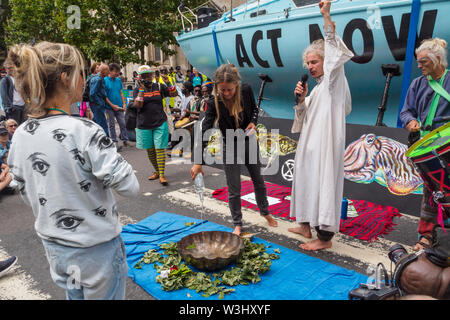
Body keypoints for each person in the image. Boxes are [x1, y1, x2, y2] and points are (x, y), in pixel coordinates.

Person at [6, 41, 139, 300]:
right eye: (82, 73)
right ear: (66, 78)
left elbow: (25, 190)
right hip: (96, 250)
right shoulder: (85, 130)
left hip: (56, 249)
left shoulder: (21, 134)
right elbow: (130, 187)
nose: (85, 80)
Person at [288, 0, 353, 251]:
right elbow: (303, 119)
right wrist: (301, 101)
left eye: (314, 62)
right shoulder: (316, 90)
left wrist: (326, 16)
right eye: (309, 63)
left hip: (325, 147)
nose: (310, 67)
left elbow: (335, 49)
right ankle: (305, 224)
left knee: (323, 187)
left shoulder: (334, 80)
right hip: (310, 148)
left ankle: (324, 238)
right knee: (306, 182)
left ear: (326, 61)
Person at [190, 64, 278, 235]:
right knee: (234, 186)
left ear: (236, 84)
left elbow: (254, 110)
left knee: (258, 179)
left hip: (249, 139)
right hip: (229, 142)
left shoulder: (245, 90)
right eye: (222, 89)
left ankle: (265, 212)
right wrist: (198, 162)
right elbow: (205, 130)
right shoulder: (213, 101)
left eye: (229, 89)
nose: (226, 93)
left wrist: (253, 122)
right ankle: (237, 222)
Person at [399, 38, 449, 251]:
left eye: (423, 61)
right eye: (418, 62)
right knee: (431, 189)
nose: (419, 66)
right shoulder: (418, 84)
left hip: (447, 140)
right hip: (427, 143)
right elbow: (406, 110)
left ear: (438, 59)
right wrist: (410, 121)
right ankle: (427, 235)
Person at [133, 65, 178, 186]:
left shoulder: (159, 86)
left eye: (149, 75)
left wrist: (168, 83)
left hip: (160, 122)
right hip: (144, 124)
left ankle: (162, 175)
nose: (147, 78)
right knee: (150, 150)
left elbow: (174, 94)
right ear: (139, 78)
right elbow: (138, 105)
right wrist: (141, 89)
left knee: (159, 149)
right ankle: (157, 171)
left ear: (152, 76)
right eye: (144, 76)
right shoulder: (137, 90)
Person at [104, 63, 129, 149]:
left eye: (118, 72)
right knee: (111, 125)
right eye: (115, 71)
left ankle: (125, 139)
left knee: (122, 123)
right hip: (109, 108)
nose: (117, 73)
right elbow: (105, 96)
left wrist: (124, 103)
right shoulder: (105, 80)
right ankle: (114, 141)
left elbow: (121, 93)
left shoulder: (118, 80)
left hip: (119, 106)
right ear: (110, 71)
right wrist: (112, 105)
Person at [0, 60, 27, 124]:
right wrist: (10, 107)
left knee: (23, 127)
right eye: (6, 68)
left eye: (10, 68)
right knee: (13, 128)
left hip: (24, 106)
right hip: (14, 108)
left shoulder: (20, 78)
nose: (8, 70)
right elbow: (4, 96)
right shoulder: (5, 80)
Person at [89, 63, 110, 136]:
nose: (109, 72)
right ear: (103, 71)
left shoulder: (100, 78)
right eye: (108, 70)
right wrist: (99, 102)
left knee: (98, 123)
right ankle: (106, 141)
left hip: (97, 104)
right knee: (102, 124)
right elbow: (92, 93)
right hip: (97, 105)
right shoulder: (97, 79)